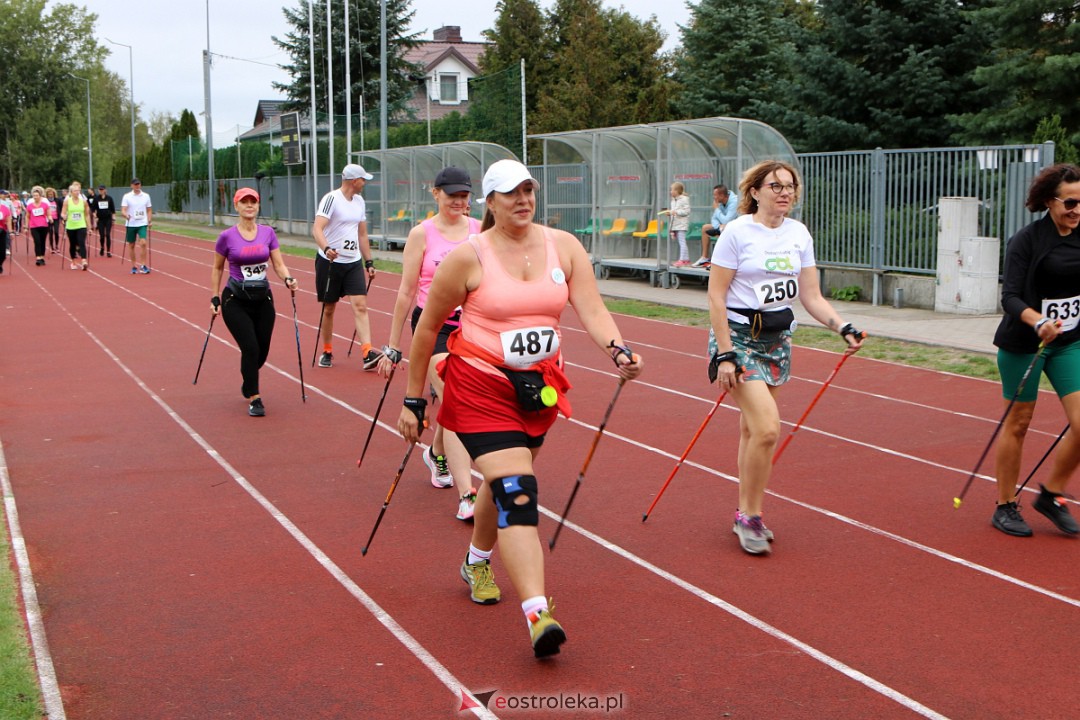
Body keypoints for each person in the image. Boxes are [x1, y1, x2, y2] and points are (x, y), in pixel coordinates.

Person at [397, 159, 644, 659]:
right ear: (490, 201)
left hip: (537, 389)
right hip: (479, 386)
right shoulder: (468, 258)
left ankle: (476, 560)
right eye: (511, 193)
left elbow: (592, 307)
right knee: (517, 488)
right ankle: (537, 613)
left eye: (529, 190)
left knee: (501, 483)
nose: (523, 200)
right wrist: (413, 399)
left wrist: (618, 350)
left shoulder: (564, 246)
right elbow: (426, 330)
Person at [707, 160, 864, 555]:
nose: (784, 192)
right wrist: (725, 354)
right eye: (775, 186)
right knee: (767, 429)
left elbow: (811, 295)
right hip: (739, 339)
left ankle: (744, 510)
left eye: (790, 186)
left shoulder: (799, 233)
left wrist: (842, 326)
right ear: (754, 192)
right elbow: (716, 296)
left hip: (777, 340)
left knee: (752, 430)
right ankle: (751, 516)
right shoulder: (736, 232)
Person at [377, 166, 482, 521]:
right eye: (452, 195)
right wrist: (393, 345)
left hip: (472, 329)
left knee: (461, 404)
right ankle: (467, 494)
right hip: (433, 326)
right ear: (435, 193)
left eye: (464, 195)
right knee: (455, 399)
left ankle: (437, 452)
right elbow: (406, 291)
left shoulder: (480, 230)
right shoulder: (421, 234)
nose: (459, 201)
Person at [990, 163, 1080, 538]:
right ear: (1049, 201)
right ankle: (1005, 504)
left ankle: (1051, 495)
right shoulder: (1027, 241)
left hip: (1068, 344)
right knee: (1019, 423)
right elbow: (1009, 297)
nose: (1077, 210)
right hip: (1024, 344)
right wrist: (1038, 321)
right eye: (1070, 202)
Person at [210, 187, 299, 417]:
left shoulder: (268, 233)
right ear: (236, 206)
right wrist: (215, 297)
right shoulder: (227, 236)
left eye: (253, 201)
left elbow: (278, 264)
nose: (249, 205)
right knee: (250, 347)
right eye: (244, 202)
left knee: (262, 350)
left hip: (263, 298)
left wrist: (288, 278)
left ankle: (248, 380)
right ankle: (254, 397)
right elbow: (217, 268)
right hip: (235, 300)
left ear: (258, 206)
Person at [312, 163, 379, 370]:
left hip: (353, 262)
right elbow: (317, 228)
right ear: (354, 180)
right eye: (363, 179)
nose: (365, 183)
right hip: (330, 262)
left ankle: (367, 352)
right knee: (329, 308)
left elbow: (362, 234)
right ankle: (327, 350)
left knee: (360, 305)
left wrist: (368, 261)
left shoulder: (359, 201)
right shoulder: (331, 199)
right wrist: (326, 248)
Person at [692, 184, 739, 268]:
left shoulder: (735, 202)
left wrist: (717, 209)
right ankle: (704, 258)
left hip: (736, 228)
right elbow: (714, 218)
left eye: (715, 195)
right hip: (723, 226)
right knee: (705, 228)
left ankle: (721, 261)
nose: (714, 197)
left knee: (723, 229)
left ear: (722, 195)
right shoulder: (720, 202)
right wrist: (719, 226)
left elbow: (727, 220)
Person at [121, 178, 152, 274]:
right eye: (135, 184)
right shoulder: (127, 196)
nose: (137, 186)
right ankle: (134, 266)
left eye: (138, 184)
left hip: (142, 223)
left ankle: (143, 265)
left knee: (143, 243)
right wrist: (126, 215)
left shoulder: (146, 196)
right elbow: (123, 210)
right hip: (131, 223)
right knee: (131, 245)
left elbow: (149, 210)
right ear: (131, 186)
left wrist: (149, 220)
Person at [659, 181, 692, 267]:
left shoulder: (684, 199)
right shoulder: (673, 200)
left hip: (681, 224)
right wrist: (670, 213)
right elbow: (674, 211)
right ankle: (686, 259)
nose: (670, 192)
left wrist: (676, 212)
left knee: (682, 242)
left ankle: (682, 260)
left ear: (677, 191)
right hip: (675, 224)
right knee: (681, 241)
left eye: (672, 190)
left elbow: (686, 211)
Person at [61, 181, 89, 270]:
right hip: (71, 226)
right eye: (75, 191)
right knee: (72, 244)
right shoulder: (67, 202)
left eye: (78, 191)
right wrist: (64, 216)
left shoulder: (83, 202)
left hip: (81, 225)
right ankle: (73, 261)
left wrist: (89, 227)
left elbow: (87, 215)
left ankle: (84, 260)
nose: (77, 192)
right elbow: (63, 213)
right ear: (71, 192)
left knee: (81, 242)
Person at [26, 186, 51, 266]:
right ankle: (38, 258)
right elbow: (27, 216)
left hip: (44, 225)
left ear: (40, 196)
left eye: (37, 195)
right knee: (37, 241)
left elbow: (48, 214)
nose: (35, 197)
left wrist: (50, 218)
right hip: (34, 226)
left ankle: (42, 257)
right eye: (34, 196)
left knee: (42, 241)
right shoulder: (30, 205)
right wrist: (26, 226)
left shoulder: (45, 204)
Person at [93, 185, 116, 257]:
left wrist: (113, 218)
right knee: (102, 235)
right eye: (100, 190)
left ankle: (108, 251)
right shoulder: (96, 199)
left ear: (105, 190)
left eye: (102, 189)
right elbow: (93, 210)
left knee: (108, 234)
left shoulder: (109, 198)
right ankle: (102, 247)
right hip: (100, 219)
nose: (101, 191)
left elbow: (113, 210)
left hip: (108, 219)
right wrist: (95, 217)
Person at [45, 187, 61, 253]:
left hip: (56, 218)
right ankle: (52, 247)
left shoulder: (57, 200)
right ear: (47, 195)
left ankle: (57, 246)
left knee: (56, 232)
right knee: (51, 232)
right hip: (49, 219)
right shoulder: (46, 201)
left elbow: (61, 207)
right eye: (49, 194)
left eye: (51, 194)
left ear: (54, 194)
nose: (50, 195)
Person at [0, 193, 10, 275]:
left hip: (2, 231)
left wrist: (11, 231)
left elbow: (8, 220)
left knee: (2, 253)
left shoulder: (4, 208)